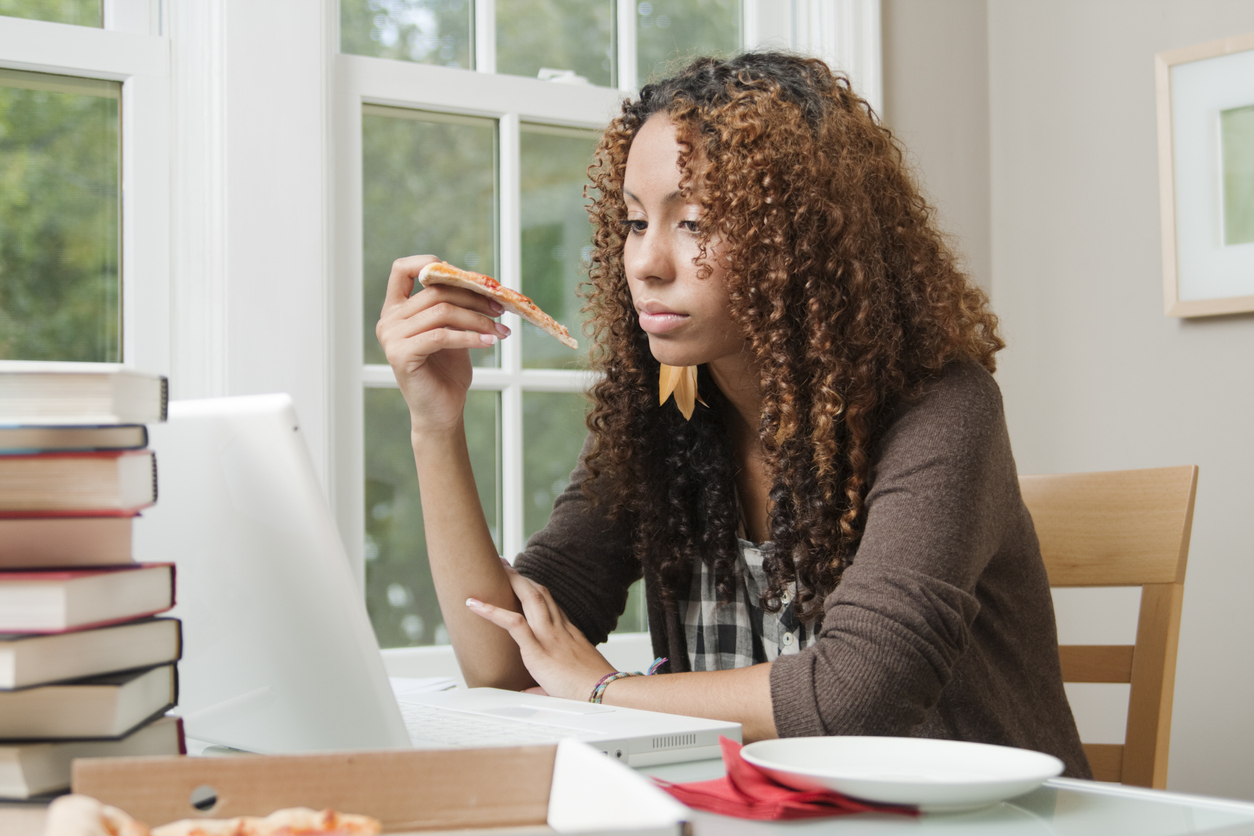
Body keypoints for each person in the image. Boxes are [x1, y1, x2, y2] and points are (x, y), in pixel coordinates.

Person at [376, 51, 1091, 778]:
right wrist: (435, 425)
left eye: (693, 222)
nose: (646, 262)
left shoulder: (944, 409)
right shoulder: (666, 419)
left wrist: (603, 691)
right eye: (632, 222)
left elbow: (856, 694)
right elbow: (501, 661)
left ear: (802, 240)